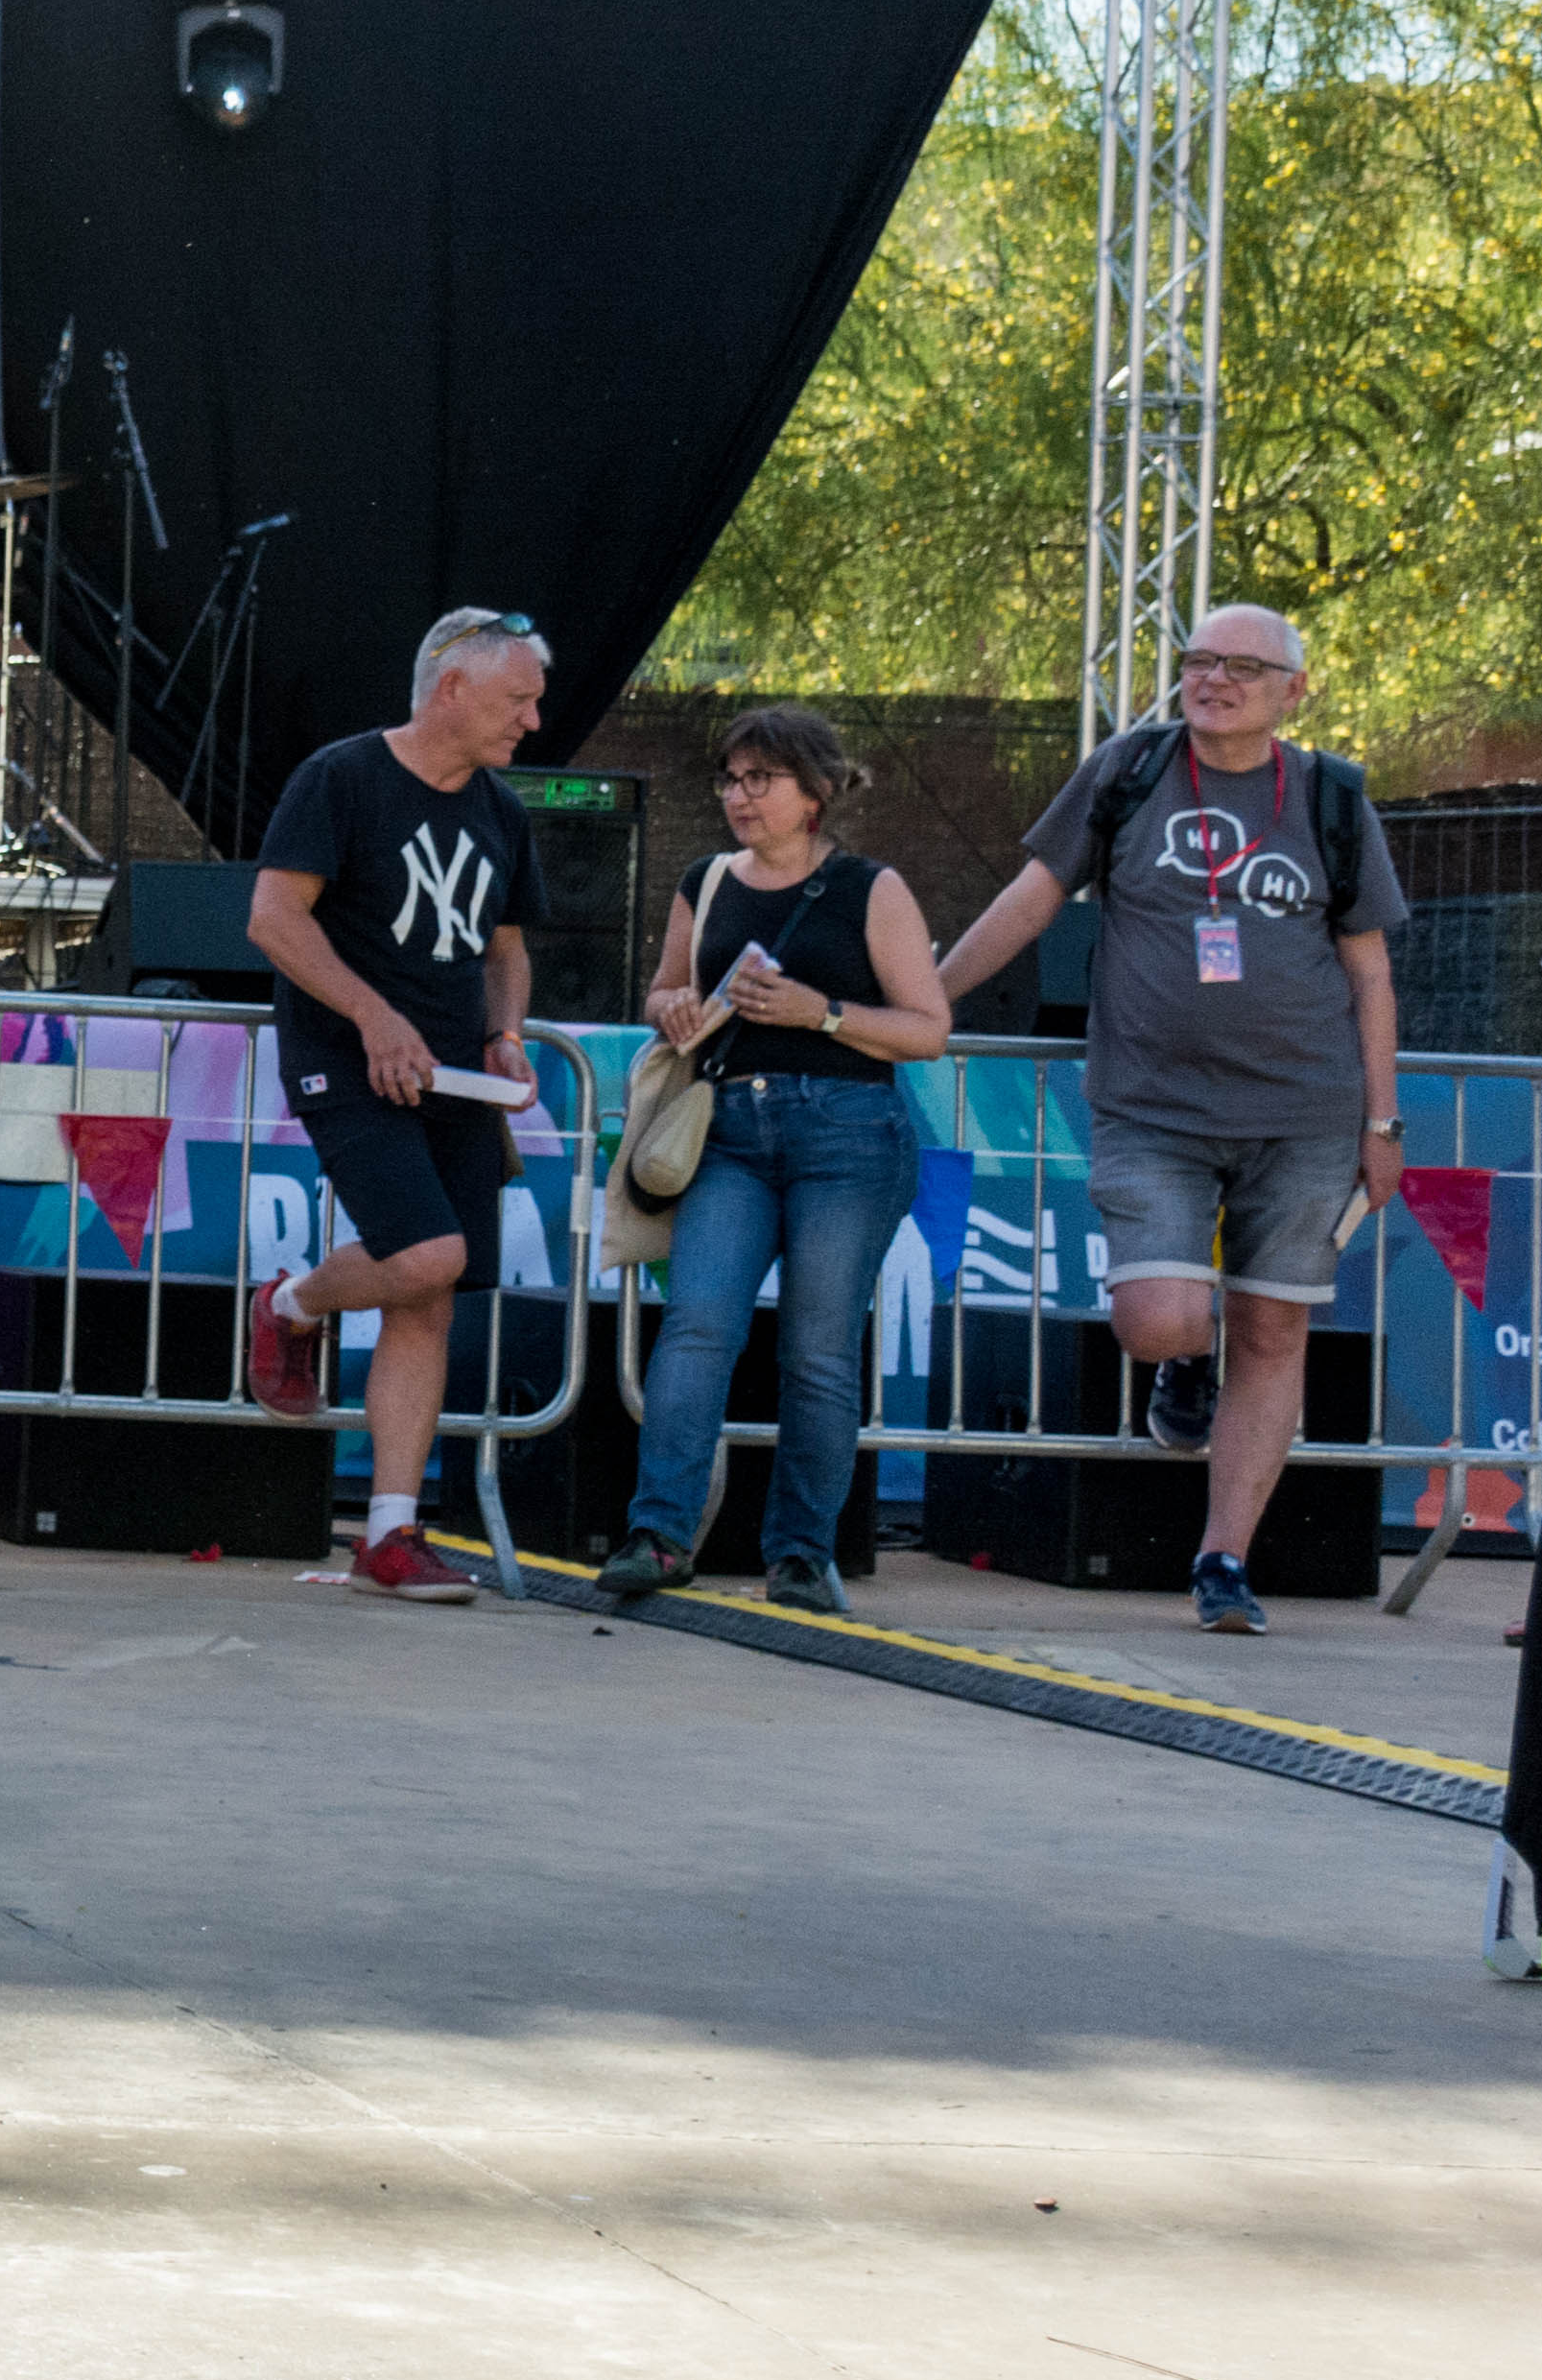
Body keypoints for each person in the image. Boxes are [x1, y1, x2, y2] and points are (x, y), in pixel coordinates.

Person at [933, 605, 1407, 1634]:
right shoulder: (1128, 770)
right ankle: (1186, 1361)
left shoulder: (1331, 795)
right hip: (1152, 1108)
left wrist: (1384, 1123)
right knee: (1162, 1319)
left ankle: (1223, 1559)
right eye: (1199, 660)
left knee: (1275, 1330)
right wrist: (931, 994)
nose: (1215, 679)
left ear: (1294, 688)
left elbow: (1369, 969)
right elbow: (1033, 894)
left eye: (1244, 666)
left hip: (1308, 1115)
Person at [596, 703, 951, 1617]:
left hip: (848, 1133)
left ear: (817, 792)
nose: (739, 796)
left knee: (819, 1352)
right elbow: (665, 988)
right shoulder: (706, 880)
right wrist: (674, 1007)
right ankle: (661, 1534)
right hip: (729, 1129)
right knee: (697, 1328)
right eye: (730, 778)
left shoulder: (874, 888)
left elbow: (927, 1030)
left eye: (762, 779)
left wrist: (819, 1013)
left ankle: (802, 1553)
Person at [242, 607, 553, 1606]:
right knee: (428, 1255)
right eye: (519, 699)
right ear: (453, 690)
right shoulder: (341, 777)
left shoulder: (503, 812)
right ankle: (287, 1305)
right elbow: (272, 918)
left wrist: (506, 1034)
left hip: (456, 1077)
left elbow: (507, 949)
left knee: (429, 1300)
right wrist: (375, 1019)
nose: (533, 721)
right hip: (349, 1061)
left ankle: (389, 1531)